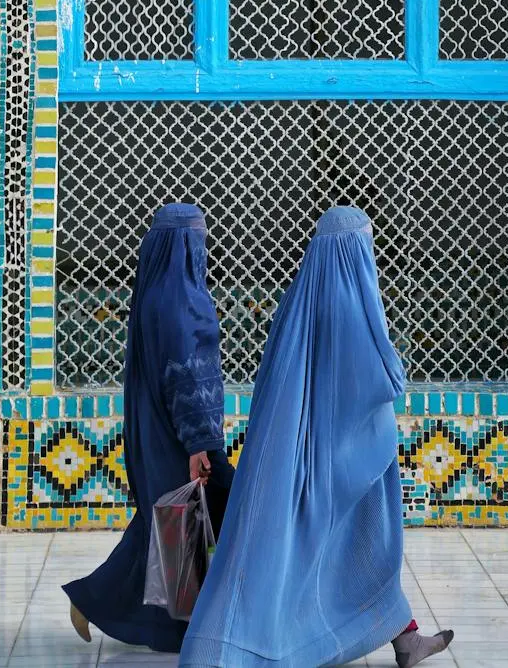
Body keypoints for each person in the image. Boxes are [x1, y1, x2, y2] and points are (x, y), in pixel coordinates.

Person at [179, 205, 453, 668]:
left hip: (298, 462)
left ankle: (405, 637)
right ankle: (239, 648)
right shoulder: (351, 301)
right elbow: (381, 380)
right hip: (343, 464)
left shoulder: (296, 300)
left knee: (334, 555)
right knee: (366, 548)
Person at [64, 202, 234, 653]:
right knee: (184, 521)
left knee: (169, 523)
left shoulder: (154, 294)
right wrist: (200, 441)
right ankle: (103, 602)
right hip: (184, 439)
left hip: (162, 434)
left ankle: (183, 621)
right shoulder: (182, 299)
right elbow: (185, 372)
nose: (202, 250)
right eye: (197, 241)